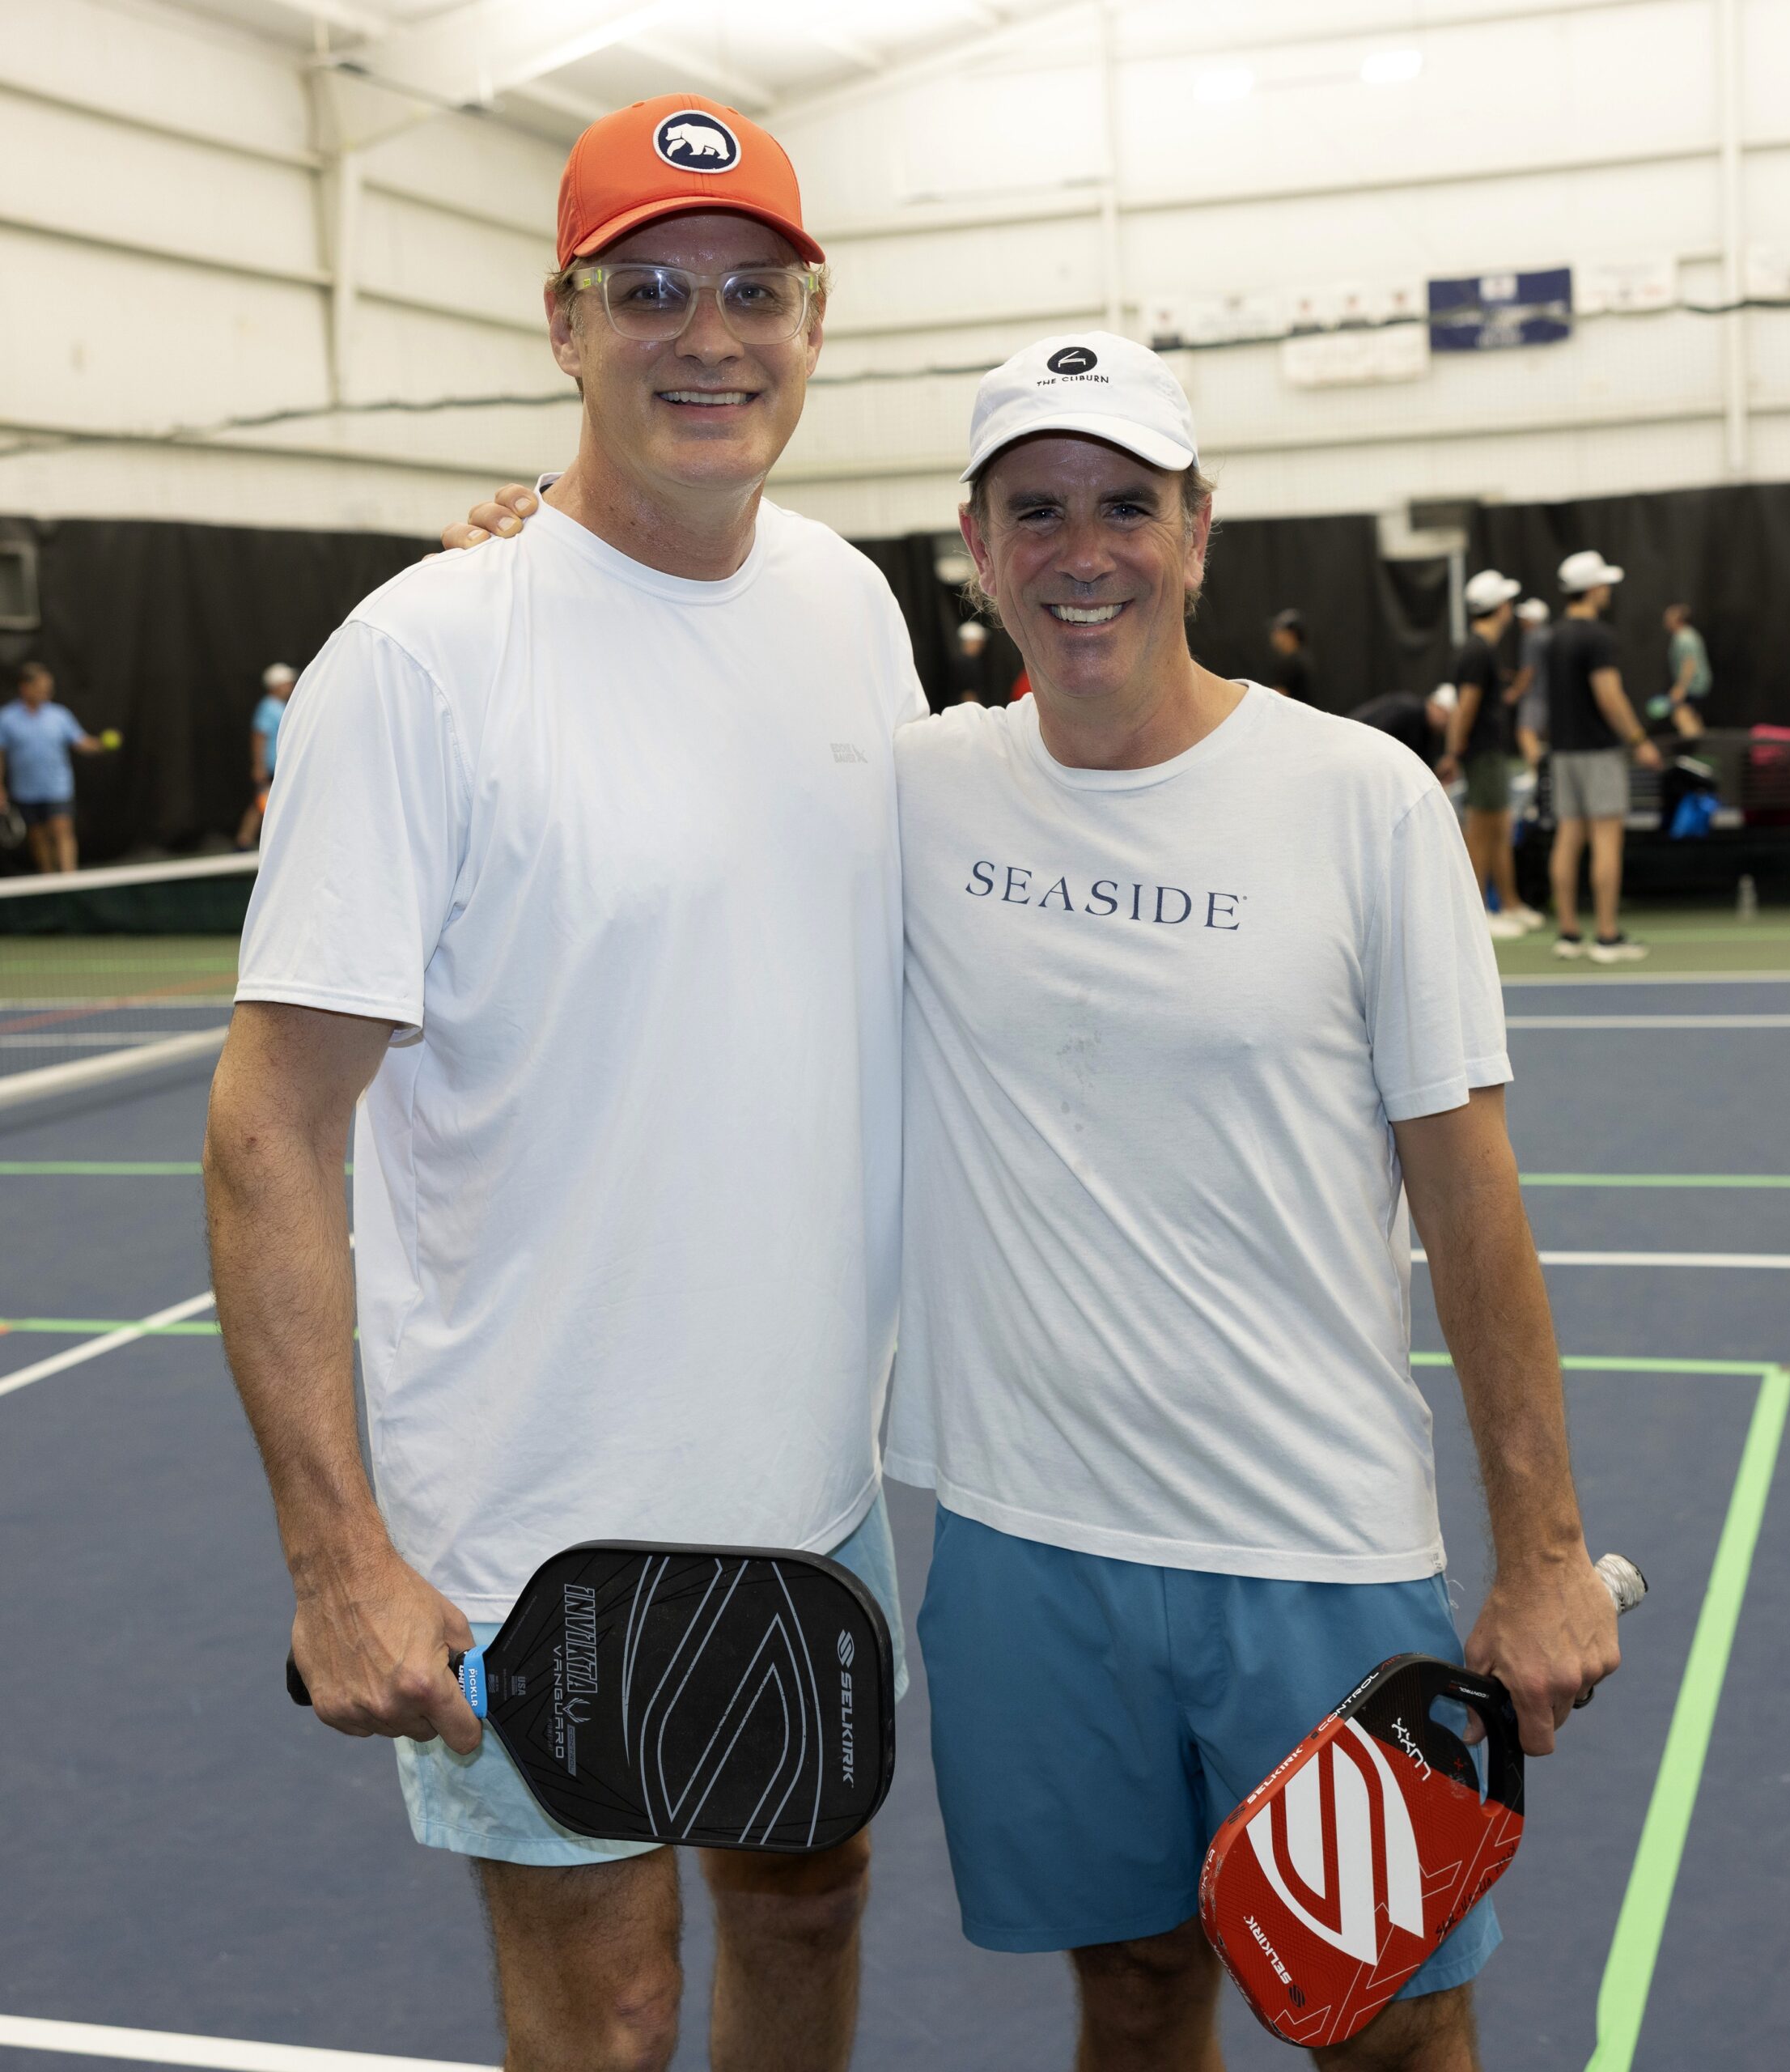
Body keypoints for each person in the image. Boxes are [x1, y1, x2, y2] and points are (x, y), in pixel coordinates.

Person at [204, 95, 923, 2072]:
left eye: (753, 292)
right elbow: (270, 1124)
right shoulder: (421, 656)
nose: (709, 336)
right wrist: (336, 1554)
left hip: (810, 1479)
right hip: (534, 1516)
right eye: (651, 291)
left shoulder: (850, 605)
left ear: (814, 319)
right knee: (607, 2010)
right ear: (564, 322)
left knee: (811, 1898)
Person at [886, 335, 1617, 2072]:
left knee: (1393, 2027)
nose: (1084, 553)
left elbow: (1469, 1195)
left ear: (1199, 530)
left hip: (1311, 1546)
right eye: (1036, 510)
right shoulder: (909, 791)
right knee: (1135, 1991)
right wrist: (540, 545)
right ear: (976, 546)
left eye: (1127, 506)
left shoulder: (1360, 798)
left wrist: (1539, 1553)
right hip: (1024, 1545)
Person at [1546, 550, 1661, 963]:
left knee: (1568, 836)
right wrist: (1638, 740)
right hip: (1598, 752)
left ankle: (1568, 934)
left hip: (1562, 752)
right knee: (1606, 838)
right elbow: (1610, 697)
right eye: (1605, 584)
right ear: (1593, 588)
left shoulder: (1553, 637)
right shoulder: (1598, 637)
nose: (1608, 590)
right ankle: (1607, 938)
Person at [1439, 571, 1542, 936]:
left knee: (1500, 827)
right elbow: (1465, 707)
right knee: (1481, 831)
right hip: (1481, 754)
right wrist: (1454, 752)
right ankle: (1478, 914)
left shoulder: (1481, 649)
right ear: (1499, 608)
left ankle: (1510, 904)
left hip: (1490, 753)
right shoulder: (1477, 651)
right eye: (1507, 603)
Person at [0, 660, 117, 874]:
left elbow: (81, 742)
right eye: (41, 688)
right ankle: (49, 880)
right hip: (25, 790)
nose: (47, 693)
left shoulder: (60, 715)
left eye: (48, 688)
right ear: (25, 688)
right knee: (38, 837)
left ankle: (68, 880)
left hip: (57, 787)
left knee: (62, 830)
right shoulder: (6, 719)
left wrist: (101, 745)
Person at [235, 663, 295, 851]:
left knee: (269, 802)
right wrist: (259, 765)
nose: (290, 686)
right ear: (276, 685)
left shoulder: (280, 706)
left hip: (281, 765)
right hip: (271, 766)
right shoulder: (268, 707)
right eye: (286, 683)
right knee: (262, 802)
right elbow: (259, 736)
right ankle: (244, 840)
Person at [1348, 681, 1456, 767]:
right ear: (1438, 708)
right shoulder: (1409, 710)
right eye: (1447, 718)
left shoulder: (1426, 730)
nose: (1446, 726)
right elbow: (1376, 734)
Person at [1658, 603, 1712, 740]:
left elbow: (1689, 664)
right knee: (1694, 717)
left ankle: (1694, 747)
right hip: (1697, 686)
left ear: (1678, 619)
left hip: (1693, 687)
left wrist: (1680, 688)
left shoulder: (1684, 638)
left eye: (1670, 616)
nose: (1666, 619)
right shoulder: (1688, 634)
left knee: (1681, 716)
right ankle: (1702, 747)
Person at [1511, 597, 1551, 766]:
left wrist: (1514, 693)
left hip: (1536, 696)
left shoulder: (1531, 637)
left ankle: (1538, 773)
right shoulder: (1550, 635)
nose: (1521, 621)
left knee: (1525, 732)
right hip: (1551, 695)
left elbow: (1528, 672)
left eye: (1525, 617)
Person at [1267, 606, 1315, 701]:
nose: (1274, 635)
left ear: (1291, 634)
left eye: (1278, 631)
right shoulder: (1303, 658)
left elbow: (1277, 698)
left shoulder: (1291, 663)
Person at [950, 617, 990, 704]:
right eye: (979, 642)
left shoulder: (965, 661)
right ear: (969, 642)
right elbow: (967, 693)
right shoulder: (966, 663)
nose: (982, 646)